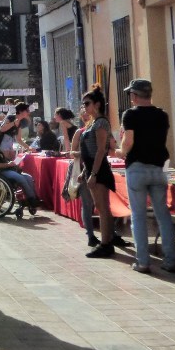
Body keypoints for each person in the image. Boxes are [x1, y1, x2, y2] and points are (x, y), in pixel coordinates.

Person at [119, 79, 175, 274]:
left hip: (137, 167)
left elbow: (128, 142)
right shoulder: (162, 115)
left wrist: (119, 151)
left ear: (134, 96)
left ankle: (143, 261)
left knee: (138, 215)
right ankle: (170, 261)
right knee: (163, 214)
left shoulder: (130, 115)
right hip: (159, 167)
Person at [76, 85, 118, 259]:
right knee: (101, 207)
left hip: (99, 170)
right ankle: (106, 242)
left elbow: (101, 150)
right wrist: (85, 171)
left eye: (87, 103)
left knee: (103, 208)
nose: (84, 107)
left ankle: (106, 243)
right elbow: (89, 151)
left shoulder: (100, 123)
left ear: (97, 104)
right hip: (92, 168)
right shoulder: (93, 123)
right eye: (84, 104)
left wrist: (93, 174)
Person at [0, 148, 40, 214]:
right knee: (21, 178)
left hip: (8, 169)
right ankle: (31, 199)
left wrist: (12, 161)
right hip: (0, 172)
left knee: (29, 177)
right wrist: (8, 165)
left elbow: (5, 160)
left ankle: (34, 198)